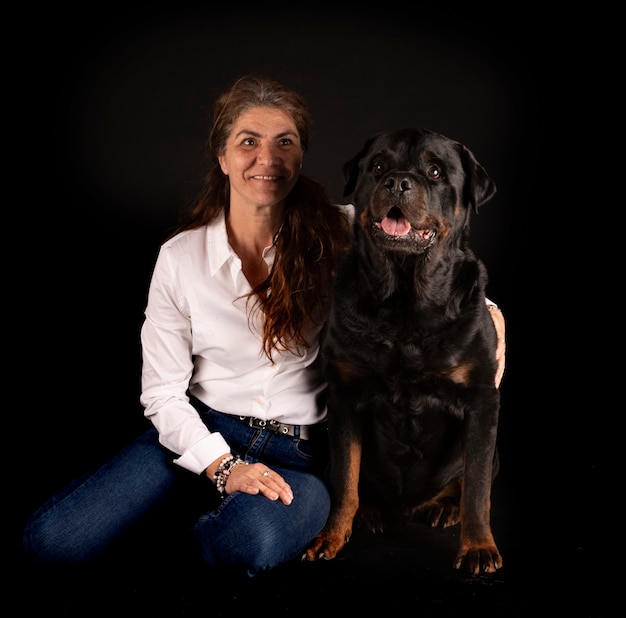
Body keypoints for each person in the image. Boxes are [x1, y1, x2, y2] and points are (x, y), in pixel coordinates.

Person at [22, 74, 506, 577]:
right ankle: (197, 493)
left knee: (239, 545)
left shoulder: (344, 229)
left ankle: (200, 520)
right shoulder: (180, 257)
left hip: (300, 453)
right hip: (200, 431)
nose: (267, 158)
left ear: (299, 157)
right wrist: (223, 466)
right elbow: (162, 395)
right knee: (52, 541)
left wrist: (492, 314)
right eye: (248, 142)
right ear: (222, 156)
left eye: (285, 143)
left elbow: (434, 267)